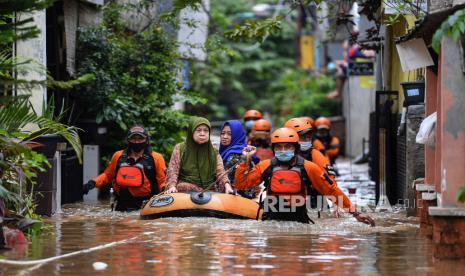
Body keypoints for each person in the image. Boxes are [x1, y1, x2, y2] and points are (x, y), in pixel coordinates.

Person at [234, 128, 374, 225]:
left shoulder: (309, 167)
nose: (283, 151)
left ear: (295, 148)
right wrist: (244, 161)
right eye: (279, 147)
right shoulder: (266, 166)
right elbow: (241, 184)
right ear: (274, 149)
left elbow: (331, 190)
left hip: (299, 219)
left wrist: (355, 213)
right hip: (271, 219)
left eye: (287, 147)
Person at [82, 126, 166, 211]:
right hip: (122, 204)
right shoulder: (118, 156)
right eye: (133, 138)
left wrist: (167, 192)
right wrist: (93, 183)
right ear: (128, 140)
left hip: (147, 205)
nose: (136, 141)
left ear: (146, 140)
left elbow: (162, 181)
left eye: (140, 138)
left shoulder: (157, 158)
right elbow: (108, 175)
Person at [164, 117, 234, 194]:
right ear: (191, 132)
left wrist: (227, 185)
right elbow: (173, 170)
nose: (202, 134)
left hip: (209, 191)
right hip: (184, 189)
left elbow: (220, 171)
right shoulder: (180, 148)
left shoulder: (213, 151)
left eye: (206, 131)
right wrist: (172, 186)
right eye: (199, 130)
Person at [219, 120, 259, 199]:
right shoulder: (226, 151)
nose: (225, 137)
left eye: (229, 134)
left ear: (237, 135)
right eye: (223, 133)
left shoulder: (236, 155)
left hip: (237, 196)